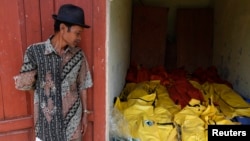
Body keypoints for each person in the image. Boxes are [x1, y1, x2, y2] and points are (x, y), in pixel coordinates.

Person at [14, 4, 93, 141]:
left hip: (72, 125)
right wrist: (46, 95)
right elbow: (26, 85)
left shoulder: (78, 55)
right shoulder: (35, 52)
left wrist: (85, 114)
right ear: (63, 28)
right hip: (46, 127)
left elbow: (83, 84)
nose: (79, 38)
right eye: (77, 33)